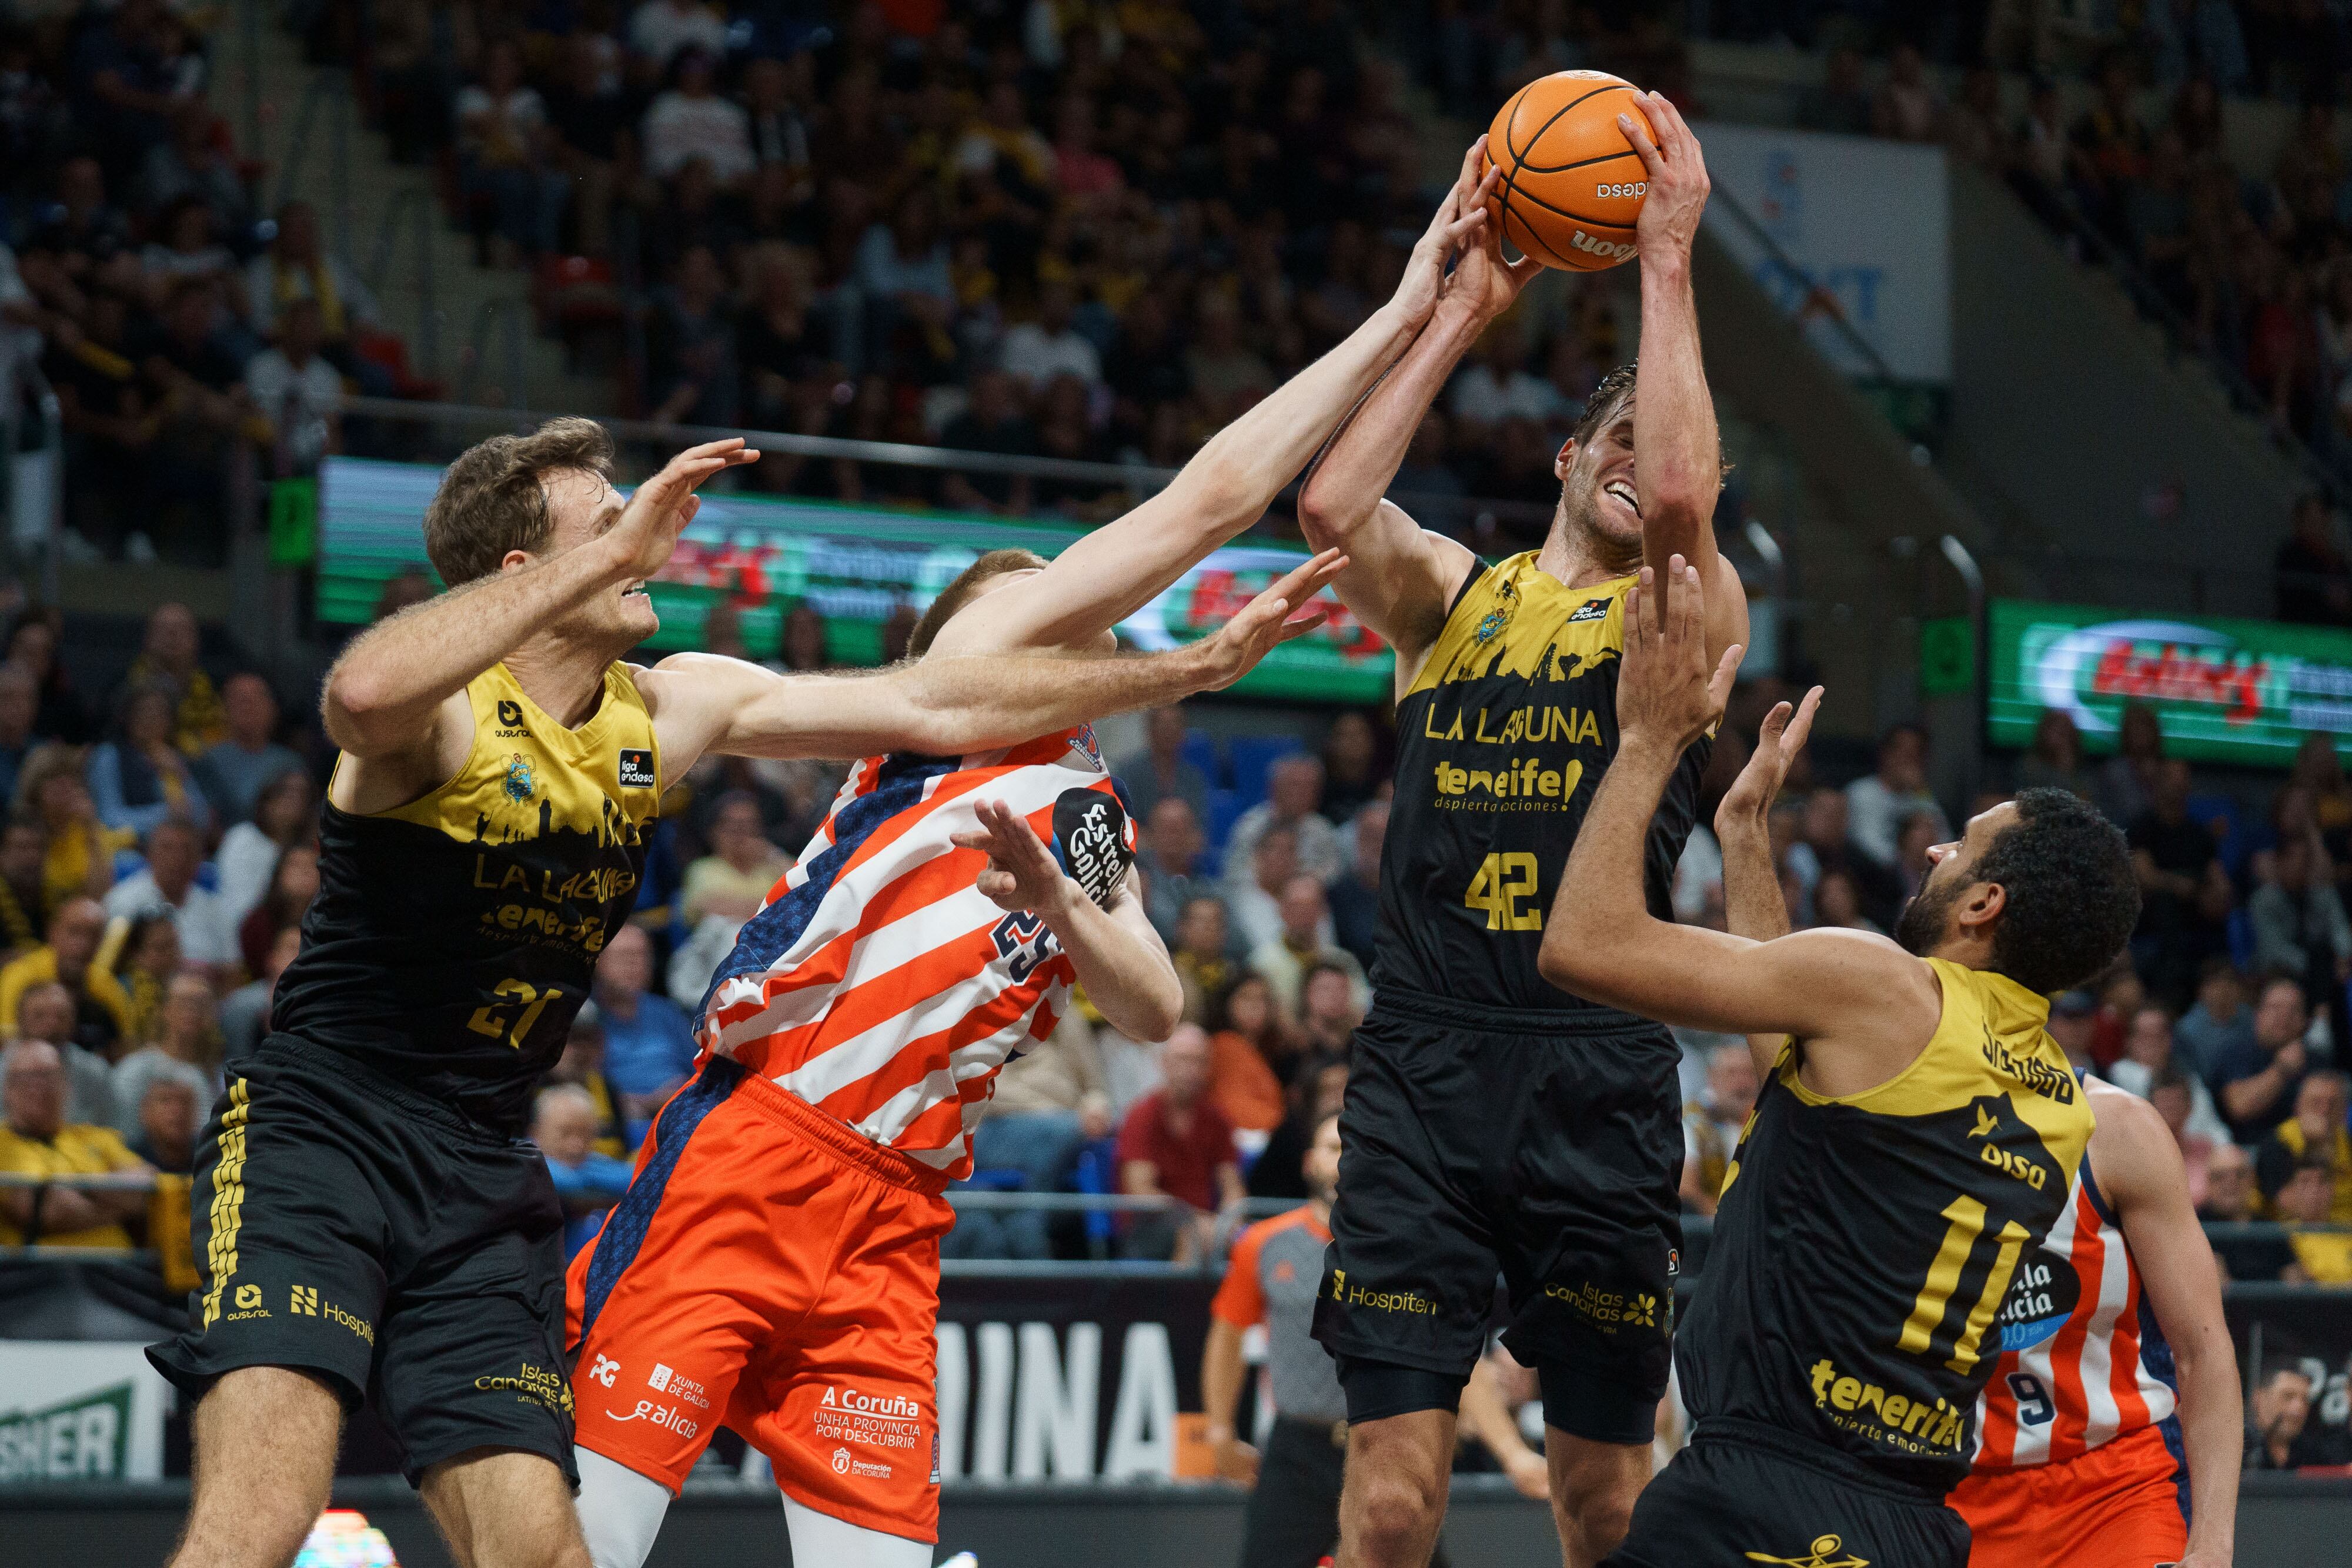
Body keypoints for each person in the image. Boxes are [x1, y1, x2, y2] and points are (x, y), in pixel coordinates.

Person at [145, 414, 1318, 1568]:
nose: (646, 536)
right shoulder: (439, 714)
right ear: (531, 571)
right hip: (330, 1125)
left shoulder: (669, 704)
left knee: (548, 1555)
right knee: (270, 1508)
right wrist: (604, 557)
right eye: (608, 522)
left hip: (491, 1165)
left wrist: (1191, 668)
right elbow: (359, 691)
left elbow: (942, 708)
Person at [560, 158, 1505, 1568]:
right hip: (760, 1154)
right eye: (1034, 606)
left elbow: (1154, 1007)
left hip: (897, 1221)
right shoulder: (941, 720)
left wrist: (1068, 906)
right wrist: (1398, 311)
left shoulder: (1086, 810)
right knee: (583, 1541)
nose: (1071, 616)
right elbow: (1203, 505)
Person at [1292, 106, 1745, 1568]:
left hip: (1596, 1064)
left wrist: (1664, 258)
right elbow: (1328, 502)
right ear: (1563, 456)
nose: (1645, 467)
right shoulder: (1451, 592)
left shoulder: (1683, 608)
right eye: (1614, 437)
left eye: (1660, 448)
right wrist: (1460, 315)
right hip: (1424, 1060)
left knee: (1605, 1509)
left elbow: (1682, 494)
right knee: (1387, 1506)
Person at [1535, 563, 2134, 1567]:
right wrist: (1744, 837)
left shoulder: (1889, 985)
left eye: (1965, 849)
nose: (1939, 849)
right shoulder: (2060, 1099)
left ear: (1986, 908)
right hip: (1911, 1523)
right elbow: (1799, 1070)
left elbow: (1583, 945)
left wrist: (1648, 741)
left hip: (1765, 1494)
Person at [1202, 1112, 1547, 1568]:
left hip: (1388, 1445)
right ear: (1309, 1163)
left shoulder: (1417, 1250)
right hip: (1298, 1451)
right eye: (1332, 1147)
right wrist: (1221, 1427)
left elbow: (1460, 1363)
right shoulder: (1264, 1244)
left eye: (1357, 1147)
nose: (1345, 1158)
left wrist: (1513, 1453)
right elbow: (1227, 1337)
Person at [1951, 1080, 2242, 1568]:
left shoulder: (2118, 1129)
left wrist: (2212, 1547)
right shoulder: (1880, 1129)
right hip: (1945, 1487)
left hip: (2112, 1484)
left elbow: (2203, 1350)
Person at [0, 1038, 153, 1249]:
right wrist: (120, 1207)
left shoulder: (94, 1137)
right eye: (29, 1077)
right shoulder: (3, 1144)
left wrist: (73, 1189)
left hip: (124, 1269)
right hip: (42, 1272)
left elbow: (147, 1187)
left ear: (66, 1086)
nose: (40, 1086)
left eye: (50, 1076)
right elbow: (45, 1212)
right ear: (8, 1090)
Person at [1116, 1024, 1243, 1262]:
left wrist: (1229, 1222)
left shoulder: (1217, 1119)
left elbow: (1232, 1186)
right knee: (1191, 1238)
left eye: (1199, 1062)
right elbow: (1141, 1192)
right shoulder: (1142, 1116)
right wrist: (1195, 1222)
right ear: (1163, 1063)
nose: (1191, 1071)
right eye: (1183, 1060)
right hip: (1151, 1228)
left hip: (1208, 1227)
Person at [589, 924, 697, 1124]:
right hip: (616, 1122)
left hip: (678, 1114)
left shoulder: (667, 1012)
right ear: (599, 963)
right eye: (625, 956)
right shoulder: (585, 1016)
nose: (635, 965)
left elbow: (699, 1071)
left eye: (642, 956)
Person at [102, 817, 239, 975]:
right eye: (167, 848)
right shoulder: (120, 902)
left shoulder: (218, 910)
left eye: (186, 850)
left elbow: (233, 972)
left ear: (200, 859)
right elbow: (110, 968)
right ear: (149, 854)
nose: (177, 858)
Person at [0, 896, 130, 1048]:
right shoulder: (19, 976)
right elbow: (7, 1043)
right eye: (74, 932)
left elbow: (127, 1046)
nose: (83, 945)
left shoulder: (108, 987)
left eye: (93, 935)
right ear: (53, 932)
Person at [1247, 874, 1369, 1019]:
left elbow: (1361, 1011)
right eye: (1296, 906)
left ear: (1324, 911)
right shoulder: (1261, 964)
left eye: (1311, 905)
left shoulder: (1343, 961)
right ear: (1281, 910)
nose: (1304, 913)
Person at [533, 1084, 633, 1259]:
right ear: (536, 1133)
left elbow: (634, 1178)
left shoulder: (591, 1164)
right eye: (565, 1134)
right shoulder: (521, 1162)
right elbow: (553, 1177)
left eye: (585, 1134)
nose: (576, 1146)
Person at [2210, 975, 2313, 1144]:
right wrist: (2281, 1071)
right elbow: (2239, 1106)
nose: (2284, 1016)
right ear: (2258, 1014)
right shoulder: (2236, 1052)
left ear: (2305, 1021)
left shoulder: (2316, 1059)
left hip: (2302, 1150)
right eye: (2275, 1008)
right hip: (2248, 1150)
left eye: (2293, 1010)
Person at [1224, 754, 1343, 895]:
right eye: (1295, 785)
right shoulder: (1251, 826)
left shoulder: (1322, 829)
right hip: (1258, 901)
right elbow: (1233, 875)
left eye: (1310, 787)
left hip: (1306, 902)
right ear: (1274, 787)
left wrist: (1305, 884)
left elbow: (1335, 874)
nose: (1302, 793)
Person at [1844, 723, 1955, 873]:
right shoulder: (1862, 792)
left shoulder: (1921, 795)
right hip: (1875, 876)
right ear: (1885, 755)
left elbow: (1946, 844)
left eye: (1915, 756)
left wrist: (1921, 793)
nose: (1908, 762)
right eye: (1903, 754)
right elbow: (1870, 848)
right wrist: (1908, 865)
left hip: (1919, 875)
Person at [2253, 1069, 2352, 1223]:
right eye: (2316, 1102)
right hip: (2294, 1236)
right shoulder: (2278, 1143)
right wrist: (2317, 1146)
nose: (2324, 1110)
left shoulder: (2347, 1140)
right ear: (2298, 1106)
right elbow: (2300, 1209)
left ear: (2344, 1110)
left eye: (2333, 1103)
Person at [1677, 1042, 1757, 1218]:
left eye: (1750, 1074)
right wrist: (1724, 1220)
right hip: (1706, 1230)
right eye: (1732, 1073)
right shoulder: (1691, 1121)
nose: (1742, 1084)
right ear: (1712, 1077)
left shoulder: (1763, 1119)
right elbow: (1685, 1187)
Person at [1114, 705, 1210, 825]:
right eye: (1165, 727)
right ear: (1150, 730)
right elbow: (1121, 826)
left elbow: (1200, 830)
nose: (1169, 733)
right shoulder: (1128, 773)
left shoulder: (1193, 777)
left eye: (1175, 726)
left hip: (1183, 842)